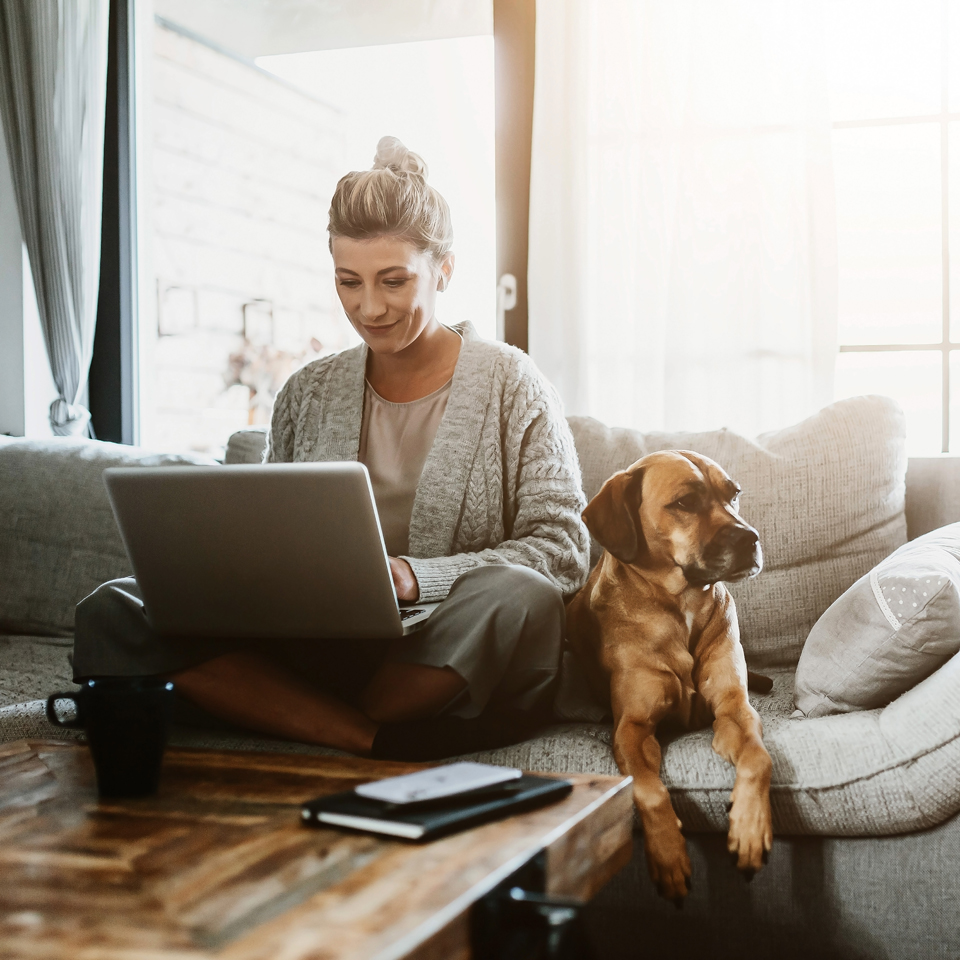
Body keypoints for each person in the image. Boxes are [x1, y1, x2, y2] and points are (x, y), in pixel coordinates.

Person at [72, 137, 590, 760]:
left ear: (444, 270)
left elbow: (561, 551)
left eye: (393, 281)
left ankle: (283, 708)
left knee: (519, 595)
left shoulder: (513, 384)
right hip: (318, 645)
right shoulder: (306, 392)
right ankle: (372, 738)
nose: (369, 307)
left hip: (443, 648)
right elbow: (268, 533)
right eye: (349, 282)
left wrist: (412, 578)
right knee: (112, 608)